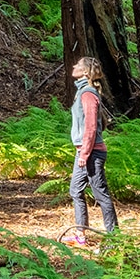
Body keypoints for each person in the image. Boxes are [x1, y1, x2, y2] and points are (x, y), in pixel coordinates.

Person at [61, 55, 118, 247]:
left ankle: (115, 238)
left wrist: (84, 154)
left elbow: (91, 127)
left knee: (101, 194)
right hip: (85, 151)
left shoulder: (87, 94)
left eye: (78, 65)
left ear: (85, 72)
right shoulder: (83, 92)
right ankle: (80, 234)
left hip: (92, 153)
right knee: (75, 190)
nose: (74, 66)